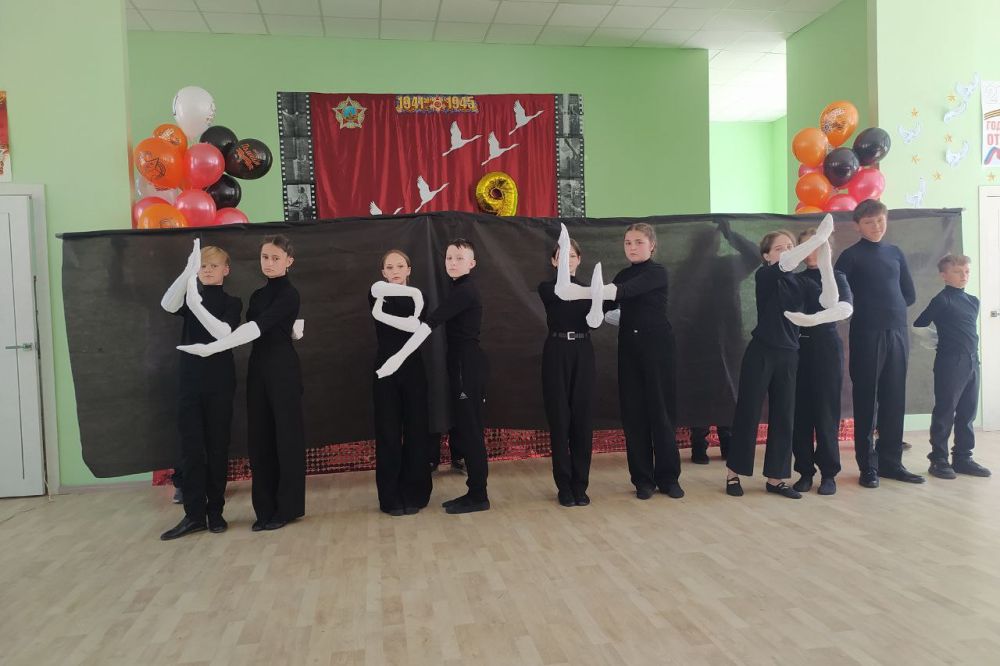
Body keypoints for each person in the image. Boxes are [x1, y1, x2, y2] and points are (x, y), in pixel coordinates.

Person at [179, 235, 306, 531]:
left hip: (283, 370)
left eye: (275, 258)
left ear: (289, 261)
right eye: (265, 257)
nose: (269, 263)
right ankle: (264, 509)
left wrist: (212, 348)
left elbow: (256, 329)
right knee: (259, 439)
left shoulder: (290, 294)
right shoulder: (258, 296)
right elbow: (261, 329)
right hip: (258, 368)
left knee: (286, 437)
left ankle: (286, 508)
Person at [726, 215, 849, 498]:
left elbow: (829, 302)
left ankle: (776, 478)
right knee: (748, 412)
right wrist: (818, 239)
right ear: (767, 255)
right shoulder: (766, 275)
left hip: (790, 355)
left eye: (790, 246)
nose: (787, 251)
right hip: (761, 352)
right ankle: (733, 474)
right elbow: (787, 263)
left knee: (784, 417)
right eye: (779, 248)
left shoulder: (802, 283)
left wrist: (825, 258)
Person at [373, 239, 490, 514]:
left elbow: (429, 325)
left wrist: (398, 358)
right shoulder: (457, 287)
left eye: (459, 258)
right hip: (460, 364)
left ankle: (478, 495)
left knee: (471, 430)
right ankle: (475, 491)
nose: (452, 262)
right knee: (466, 427)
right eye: (449, 258)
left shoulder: (465, 291)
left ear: (472, 263)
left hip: (466, 366)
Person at [834, 199, 923, 487]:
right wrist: (871, 312)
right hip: (866, 334)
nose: (876, 226)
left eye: (880, 220)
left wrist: (889, 311)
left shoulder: (895, 253)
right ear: (857, 226)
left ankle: (891, 463)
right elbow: (838, 296)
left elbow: (909, 294)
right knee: (866, 398)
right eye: (869, 222)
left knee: (894, 397)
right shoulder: (850, 256)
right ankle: (867, 466)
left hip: (897, 332)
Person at [159, 242, 242, 540]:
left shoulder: (232, 303)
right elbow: (167, 304)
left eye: (213, 265)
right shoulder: (189, 296)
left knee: (217, 447)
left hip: (219, 384)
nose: (207, 270)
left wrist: (194, 301)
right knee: (191, 449)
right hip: (190, 384)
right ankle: (193, 515)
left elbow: (223, 332)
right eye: (203, 266)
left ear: (225, 270)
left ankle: (215, 512)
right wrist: (187, 271)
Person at [600, 223, 683, 500]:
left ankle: (669, 478)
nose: (632, 247)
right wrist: (593, 303)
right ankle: (643, 480)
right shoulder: (622, 275)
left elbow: (625, 292)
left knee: (661, 413)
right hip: (630, 350)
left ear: (652, 245)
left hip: (658, 349)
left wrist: (599, 291)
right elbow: (605, 306)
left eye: (638, 242)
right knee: (634, 414)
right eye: (628, 243)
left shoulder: (657, 272)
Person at [913, 254, 991, 479]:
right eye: (957, 272)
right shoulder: (942, 300)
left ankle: (963, 458)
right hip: (950, 363)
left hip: (972, 361)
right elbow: (919, 325)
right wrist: (937, 341)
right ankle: (938, 459)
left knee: (968, 411)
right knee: (945, 411)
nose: (964, 276)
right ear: (944, 275)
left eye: (967, 271)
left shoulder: (973, 301)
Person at [790, 228, 854, 496]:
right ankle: (805, 471)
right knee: (800, 414)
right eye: (806, 246)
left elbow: (844, 309)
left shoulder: (837, 277)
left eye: (817, 245)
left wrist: (814, 319)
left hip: (826, 349)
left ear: (828, 247)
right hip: (797, 350)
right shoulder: (793, 279)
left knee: (826, 413)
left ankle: (829, 473)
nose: (811, 251)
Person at [369, 250, 432, 515]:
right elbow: (376, 289)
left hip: (413, 370)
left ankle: (416, 492)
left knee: (417, 430)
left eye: (400, 266)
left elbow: (414, 328)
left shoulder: (422, 296)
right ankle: (390, 496)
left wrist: (414, 297)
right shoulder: (377, 293)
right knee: (388, 432)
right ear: (383, 272)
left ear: (409, 270)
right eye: (389, 267)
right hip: (385, 371)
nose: (395, 270)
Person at [538, 237, 597, 506]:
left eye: (572, 256)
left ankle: (580, 485)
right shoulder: (547, 288)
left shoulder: (589, 289)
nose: (567, 260)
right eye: (561, 256)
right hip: (556, 350)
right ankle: (564, 485)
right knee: (560, 419)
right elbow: (563, 293)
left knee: (582, 420)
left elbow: (595, 320)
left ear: (579, 259)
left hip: (583, 352)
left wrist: (598, 296)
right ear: (553, 261)